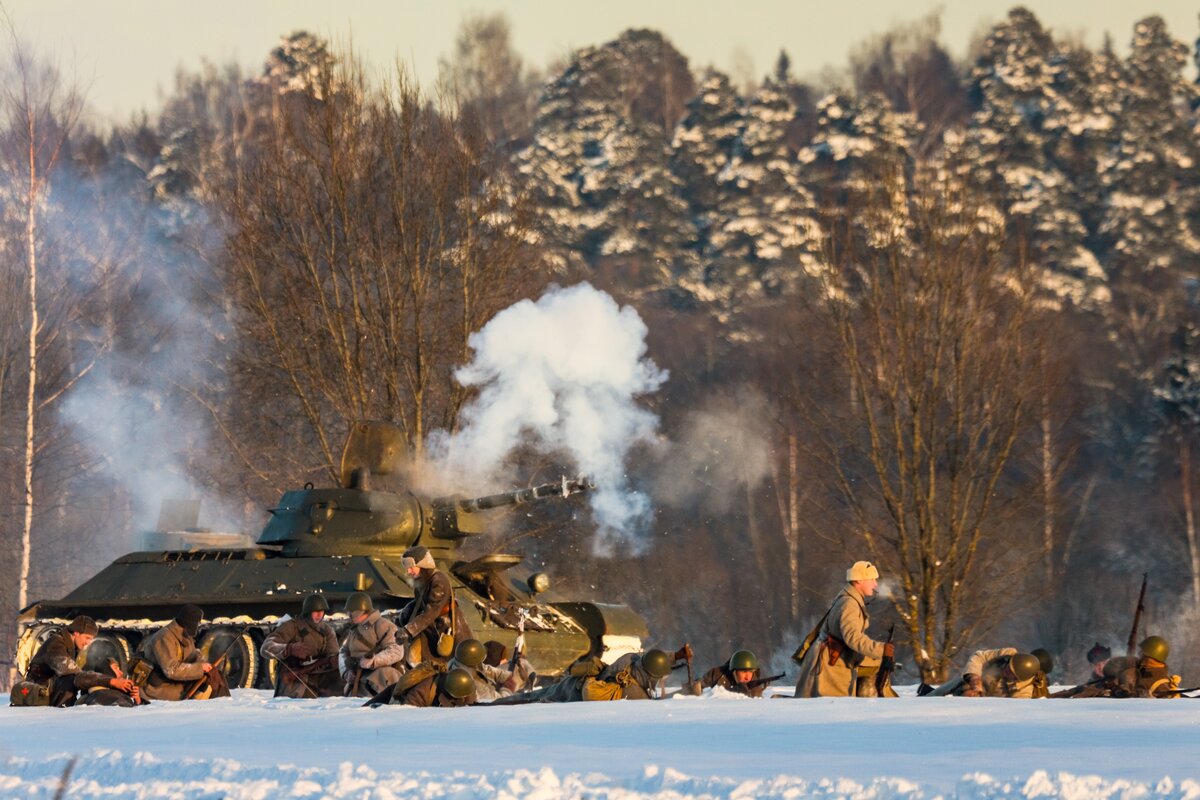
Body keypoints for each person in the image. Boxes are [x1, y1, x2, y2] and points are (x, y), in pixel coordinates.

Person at [794, 561, 894, 697]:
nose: (875, 583)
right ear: (859, 580)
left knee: (878, 664)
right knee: (836, 711)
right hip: (830, 665)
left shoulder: (850, 600)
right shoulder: (849, 604)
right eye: (871, 579)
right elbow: (852, 638)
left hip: (834, 659)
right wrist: (881, 649)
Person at [15, 616, 139, 707]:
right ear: (76, 633)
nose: (88, 643)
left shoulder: (71, 646)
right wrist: (112, 681)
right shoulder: (56, 644)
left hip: (48, 690)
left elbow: (82, 671)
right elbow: (75, 675)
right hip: (38, 693)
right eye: (87, 638)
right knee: (70, 679)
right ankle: (61, 711)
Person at [491, 649, 674, 704]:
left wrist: (676, 656)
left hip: (573, 684)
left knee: (528, 697)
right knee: (528, 700)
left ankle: (493, 703)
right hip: (573, 694)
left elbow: (652, 660)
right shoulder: (634, 692)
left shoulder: (630, 660)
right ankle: (492, 704)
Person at [397, 545, 473, 665]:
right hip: (431, 628)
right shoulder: (421, 581)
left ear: (422, 564)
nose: (408, 571)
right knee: (413, 659)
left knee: (453, 666)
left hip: (447, 629)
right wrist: (404, 615)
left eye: (412, 567)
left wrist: (408, 630)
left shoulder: (439, 580)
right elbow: (421, 603)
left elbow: (431, 611)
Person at [136, 605, 225, 701]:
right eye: (196, 623)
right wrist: (200, 668)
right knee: (204, 688)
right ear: (190, 623)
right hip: (157, 687)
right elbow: (171, 670)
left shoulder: (185, 635)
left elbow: (194, 655)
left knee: (212, 678)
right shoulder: (164, 637)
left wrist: (204, 665)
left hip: (175, 682)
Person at [260, 593, 342, 697]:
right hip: (295, 679)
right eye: (316, 612)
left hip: (319, 679)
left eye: (322, 611)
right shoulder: (292, 626)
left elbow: (332, 656)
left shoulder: (326, 630)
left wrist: (333, 661)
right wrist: (289, 649)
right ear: (308, 612)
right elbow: (266, 648)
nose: (319, 615)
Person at [340, 591, 406, 697]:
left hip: (379, 678)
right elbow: (343, 651)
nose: (348, 615)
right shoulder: (354, 629)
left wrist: (374, 661)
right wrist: (346, 671)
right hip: (357, 678)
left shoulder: (383, 625)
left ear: (360, 612)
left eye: (351, 612)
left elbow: (396, 650)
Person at [930, 649, 1046, 698]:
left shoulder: (1024, 693)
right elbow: (979, 656)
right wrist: (974, 677)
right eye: (1009, 667)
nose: (1007, 671)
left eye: (1011, 673)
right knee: (960, 683)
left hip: (982, 704)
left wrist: (978, 698)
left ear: (1017, 679)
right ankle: (927, 699)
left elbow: (1006, 713)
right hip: (974, 687)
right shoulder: (1007, 654)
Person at [448, 638, 534, 701]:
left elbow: (486, 670)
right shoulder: (474, 684)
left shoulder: (462, 660)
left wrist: (506, 675)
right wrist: (507, 689)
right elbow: (499, 701)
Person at [1099, 636, 1180, 698]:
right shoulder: (1141, 669)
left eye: (1142, 652)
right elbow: (1108, 669)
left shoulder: (1159, 683)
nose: (1139, 654)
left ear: (1149, 657)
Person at [370, 665, 478, 708]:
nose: (463, 699)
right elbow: (407, 713)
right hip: (394, 697)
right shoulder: (423, 690)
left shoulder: (466, 687)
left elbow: (470, 708)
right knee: (368, 710)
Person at [687, 649, 766, 697]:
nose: (747, 677)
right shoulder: (717, 674)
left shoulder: (755, 686)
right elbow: (695, 689)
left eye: (751, 672)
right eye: (744, 672)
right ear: (734, 671)